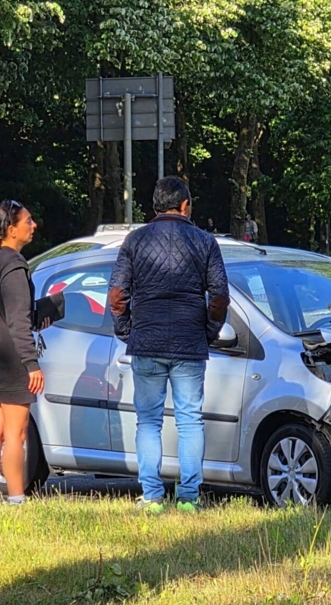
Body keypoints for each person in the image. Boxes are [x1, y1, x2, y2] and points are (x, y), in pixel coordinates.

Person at [109, 176, 229, 514]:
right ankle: (189, 497)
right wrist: (208, 331)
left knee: (148, 421)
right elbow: (219, 297)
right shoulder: (205, 242)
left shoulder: (134, 241)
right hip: (190, 342)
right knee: (190, 419)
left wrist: (127, 330)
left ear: (155, 206)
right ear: (185, 205)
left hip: (146, 340)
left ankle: (151, 496)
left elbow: (117, 296)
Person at [0, 200, 47, 505]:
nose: (34, 225)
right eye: (28, 221)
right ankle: (17, 498)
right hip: (10, 357)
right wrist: (32, 363)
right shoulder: (15, 265)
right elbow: (17, 320)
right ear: (11, 229)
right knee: (16, 434)